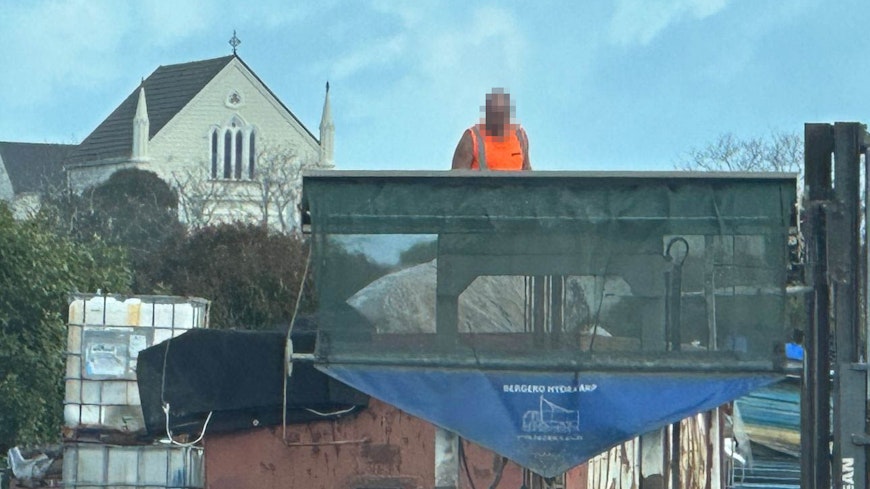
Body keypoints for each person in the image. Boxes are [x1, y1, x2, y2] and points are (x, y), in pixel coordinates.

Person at [451, 88, 531, 171]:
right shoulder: (471, 138)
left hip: (514, 184)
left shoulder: (520, 136)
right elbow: (457, 180)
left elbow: (527, 172)